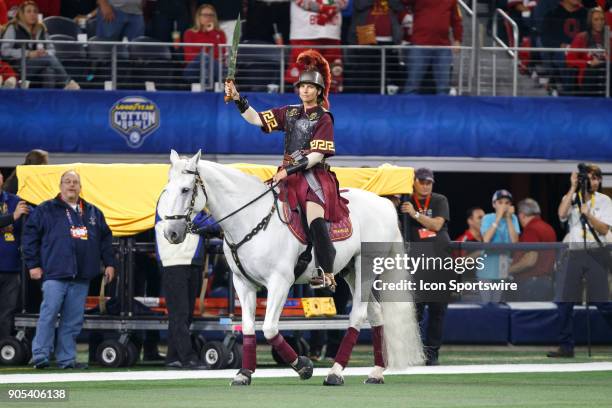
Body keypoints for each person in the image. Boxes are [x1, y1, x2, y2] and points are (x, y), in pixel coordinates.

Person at [225, 49, 349, 291]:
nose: (305, 90)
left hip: (313, 177)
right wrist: (239, 98)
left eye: (310, 87)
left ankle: (327, 272)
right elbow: (257, 119)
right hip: (288, 175)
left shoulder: (324, 118)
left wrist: (288, 170)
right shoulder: (290, 112)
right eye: (302, 86)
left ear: (319, 91)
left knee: (314, 218)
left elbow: (316, 155)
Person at [22, 170, 115, 369]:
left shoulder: (92, 212)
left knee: (72, 321)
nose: (71, 185)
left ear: (80, 187)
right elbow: (29, 237)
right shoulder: (46, 209)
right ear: (60, 186)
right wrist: (33, 264)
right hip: (54, 273)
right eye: (67, 182)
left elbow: (106, 239)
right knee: (49, 314)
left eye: (75, 182)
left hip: (82, 275)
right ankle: (40, 355)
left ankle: (66, 359)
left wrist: (110, 263)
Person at [548, 164, 612, 358]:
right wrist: (573, 187)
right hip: (574, 253)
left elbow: (604, 230)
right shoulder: (573, 198)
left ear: (599, 181)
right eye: (588, 178)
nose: (592, 182)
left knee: (603, 303)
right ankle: (566, 346)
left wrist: (588, 214)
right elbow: (561, 214)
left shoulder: (605, 200)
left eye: (595, 178)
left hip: (595, 253)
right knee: (564, 302)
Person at [155, 187, 220, 369]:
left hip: (190, 259)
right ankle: (188, 358)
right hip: (174, 260)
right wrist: (221, 222)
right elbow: (202, 222)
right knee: (180, 313)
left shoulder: (185, 197)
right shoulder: (170, 197)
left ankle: (173, 356)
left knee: (184, 313)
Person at [399, 167, 450, 366]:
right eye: (422, 181)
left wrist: (414, 214)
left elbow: (437, 225)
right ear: (414, 182)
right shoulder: (404, 200)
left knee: (438, 310)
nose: (426, 185)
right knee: (415, 312)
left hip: (438, 262)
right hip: (415, 262)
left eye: (429, 182)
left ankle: (433, 354)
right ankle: (413, 352)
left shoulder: (439, 200)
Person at [0, 1, 80, 89]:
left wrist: (44, 53)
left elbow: (52, 49)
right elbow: (5, 51)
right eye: (29, 11)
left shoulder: (41, 28)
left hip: (39, 63)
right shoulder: (13, 27)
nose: (32, 14)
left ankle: (48, 100)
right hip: (19, 66)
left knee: (49, 71)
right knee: (48, 59)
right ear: (21, 14)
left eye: (35, 11)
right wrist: (28, 54)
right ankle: (67, 82)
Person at [285, 0, 348, 93]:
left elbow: (344, 2)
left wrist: (332, 7)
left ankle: (333, 107)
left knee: (333, 78)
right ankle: (304, 107)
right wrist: (323, 8)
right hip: (305, 34)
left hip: (332, 33)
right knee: (304, 82)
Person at [402, 0, 463, 95]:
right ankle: (407, 108)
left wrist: (458, 40)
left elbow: (456, 20)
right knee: (412, 85)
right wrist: (404, 17)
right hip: (420, 44)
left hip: (442, 46)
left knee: (443, 88)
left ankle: (442, 109)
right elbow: (401, 3)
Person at [508, 198, 557, 301]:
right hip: (547, 283)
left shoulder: (531, 229)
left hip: (530, 284)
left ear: (522, 215)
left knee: (527, 316)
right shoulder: (549, 228)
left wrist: (508, 270)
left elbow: (530, 260)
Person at [0, 171, 29, 340]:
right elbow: (16, 216)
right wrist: (13, 216)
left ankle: (3, 349)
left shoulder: (14, 200)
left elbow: (33, 217)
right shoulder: (14, 208)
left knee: (7, 312)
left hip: (11, 267)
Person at [479, 189, 520, 302]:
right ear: (494, 204)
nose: (504, 206)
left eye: (507, 203)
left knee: (497, 301)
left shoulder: (513, 219)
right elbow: (486, 239)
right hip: (486, 266)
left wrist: (508, 219)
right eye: (500, 202)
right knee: (486, 302)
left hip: (502, 264)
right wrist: (498, 218)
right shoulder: (487, 218)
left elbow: (515, 241)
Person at [540, 0, 588, 95]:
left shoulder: (586, 14)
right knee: (564, 57)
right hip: (559, 53)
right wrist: (561, 45)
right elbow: (545, 40)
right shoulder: (552, 14)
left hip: (582, 52)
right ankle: (568, 93)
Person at [566, 6, 609, 96]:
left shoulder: (608, 38)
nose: (599, 22)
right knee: (593, 70)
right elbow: (570, 59)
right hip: (589, 74)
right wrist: (588, 62)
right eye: (596, 19)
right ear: (590, 21)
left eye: (602, 19)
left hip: (607, 72)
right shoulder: (581, 37)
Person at [183, 4, 226, 84]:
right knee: (203, 57)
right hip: (193, 68)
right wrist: (206, 57)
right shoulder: (189, 33)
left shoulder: (220, 34)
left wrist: (212, 33)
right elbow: (189, 57)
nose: (208, 18)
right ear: (198, 17)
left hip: (214, 69)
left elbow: (221, 55)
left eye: (211, 15)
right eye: (205, 15)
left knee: (207, 70)